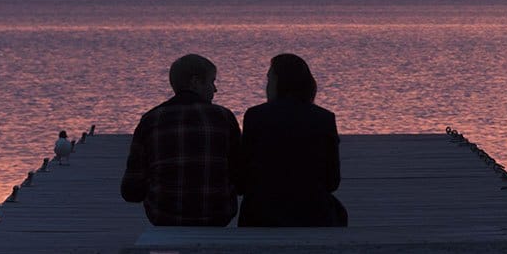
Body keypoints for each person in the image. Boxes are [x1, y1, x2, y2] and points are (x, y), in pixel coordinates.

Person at [120, 54, 242, 226]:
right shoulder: (223, 117)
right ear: (195, 82)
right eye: (212, 82)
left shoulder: (151, 119)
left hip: (164, 217)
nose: (215, 89)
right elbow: (240, 177)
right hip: (216, 216)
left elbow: (131, 191)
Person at [238, 53, 346, 227]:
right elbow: (332, 181)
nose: (266, 86)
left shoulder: (255, 116)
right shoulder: (324, 118)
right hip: (313, 212)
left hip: (262, 213)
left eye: (269, 80)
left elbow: (243, 177)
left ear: (278, 82)